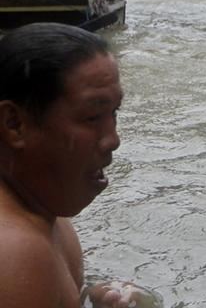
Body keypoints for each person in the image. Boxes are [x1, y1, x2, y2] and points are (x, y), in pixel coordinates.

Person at [0, 23, 125, 307]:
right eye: (93, 117)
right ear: (14, 124)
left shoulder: (47, 216)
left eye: (114, 112)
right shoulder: (16, 252)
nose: (113, 140)